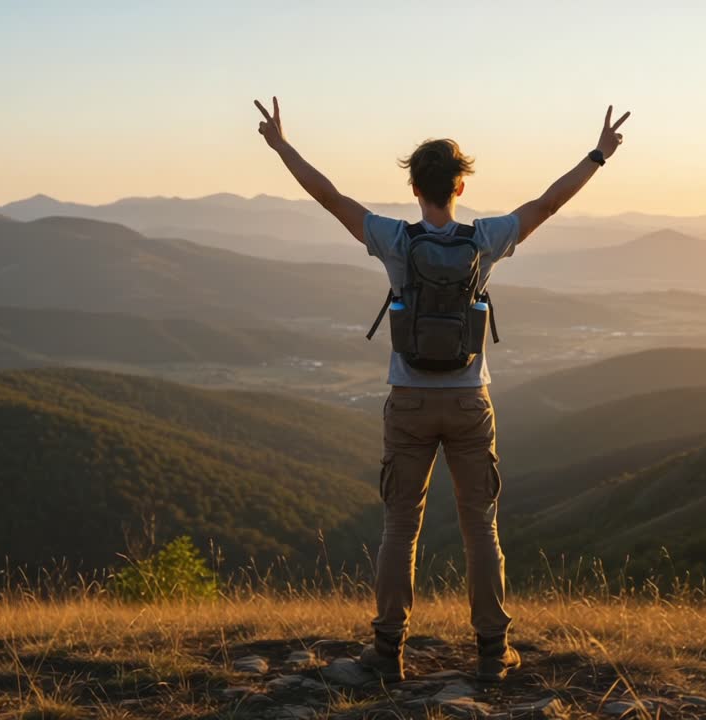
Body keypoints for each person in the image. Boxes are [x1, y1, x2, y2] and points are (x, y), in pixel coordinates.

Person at [254, 96, 630, 682]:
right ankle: (491, 651)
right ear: (459, 186)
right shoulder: (484, 240)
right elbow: (548, 204)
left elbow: (328, 198)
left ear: (415, 187)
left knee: (400, 527)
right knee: (481, 525)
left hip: (407, 402)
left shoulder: (395, 240)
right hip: (469, 402)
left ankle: (386, 650)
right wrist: (597, 155)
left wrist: (282, 147)